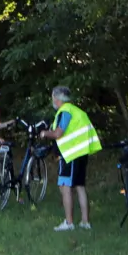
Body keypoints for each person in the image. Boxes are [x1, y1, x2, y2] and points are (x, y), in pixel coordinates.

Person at [48, 86, 102, 231]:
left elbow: (58, 133)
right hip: (81, 153)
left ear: (57, 99)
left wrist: (44, 133)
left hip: (70, 155)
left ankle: (69, 222)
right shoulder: (77, 111)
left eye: (53, 97)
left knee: (65, 186)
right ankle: (85, 222)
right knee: (80, 186)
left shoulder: (65, 111)